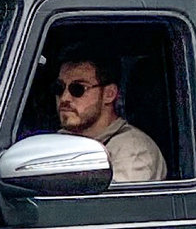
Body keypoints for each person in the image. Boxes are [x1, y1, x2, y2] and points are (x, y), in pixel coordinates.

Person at [48, 49, 167, 184]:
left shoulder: (132, 152)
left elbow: (110, 205)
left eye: (78, 89)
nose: (65, 98)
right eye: (59, 88)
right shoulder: (58, 142)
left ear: (109, 94)